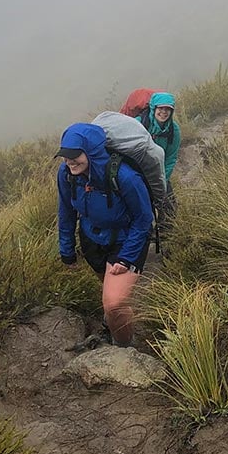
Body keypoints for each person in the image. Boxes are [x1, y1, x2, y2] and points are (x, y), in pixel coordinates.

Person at [56, 122, 154, 347]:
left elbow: (143, 219)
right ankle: (114, 324)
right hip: (92, 240)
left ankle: (122, 347)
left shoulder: (125, 177)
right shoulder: (67, 174)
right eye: (65, 156)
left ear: (91, 152)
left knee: (114, 303)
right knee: (110, 296)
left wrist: (127, 257)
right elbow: (66, 211)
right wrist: (67, 250)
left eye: (75, 155)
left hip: (125, 240)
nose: (69, 161)